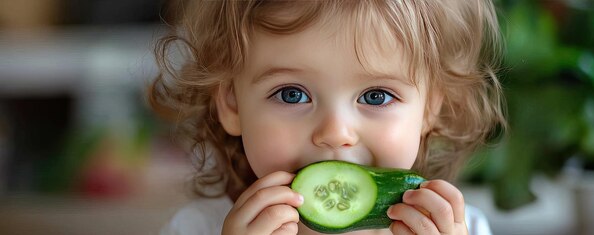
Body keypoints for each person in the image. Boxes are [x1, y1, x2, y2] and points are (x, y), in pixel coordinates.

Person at [149, 0, 505, 234]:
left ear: (429, 110)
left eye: (376, 96)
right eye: (292, 94)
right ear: (233, 104)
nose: (335, 133)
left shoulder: (465, 228)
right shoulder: (196, 229)